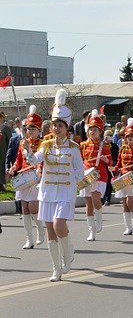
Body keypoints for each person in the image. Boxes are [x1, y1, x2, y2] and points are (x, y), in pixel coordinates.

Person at [26, 89, 84, 281]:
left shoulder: (74, 148)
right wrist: (28, 151)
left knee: (59, 224)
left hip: (66, 192)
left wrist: (75, 183)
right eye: (54, 125)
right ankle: (56, 268)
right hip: (48, 191)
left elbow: (79, 172)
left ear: (66, 128)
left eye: (60, 125)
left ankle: (68, 253)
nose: (56, 128)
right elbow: (35, 161)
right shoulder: (46, 145)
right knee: (50, 228)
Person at [8, 105, 45, 248]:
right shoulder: (22, 143)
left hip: (36, 178)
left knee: (34, 208)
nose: (30, 131)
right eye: (28, 128)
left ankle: (40, 231)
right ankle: (29, 239)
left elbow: (40, 161)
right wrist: (13, 168)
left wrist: (40, 173)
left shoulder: (42, 144)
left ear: (39, 130)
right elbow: (19, 160)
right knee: (25, 210)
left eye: (33, 129)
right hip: (24, 178)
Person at [79, 110, 112, 241]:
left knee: (95, 198)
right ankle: (91, 231)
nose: (92, 132)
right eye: (90, 129)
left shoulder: (104, 145)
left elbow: (110, 162)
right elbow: (80, 160)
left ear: (100, 131)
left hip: (100, 175)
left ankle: (99, 218)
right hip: (87, 175)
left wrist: (105, 160)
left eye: (95, 130)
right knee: (88, 203)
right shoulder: (83, 145)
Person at [112, 118, 133, 235]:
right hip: (123, 177)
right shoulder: (122, 149)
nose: (129, 138)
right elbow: (119, 164)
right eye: (127, 136)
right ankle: (128, 226)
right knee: (124, 203)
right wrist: (114, 169)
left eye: (132, 136)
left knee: (130, 201)